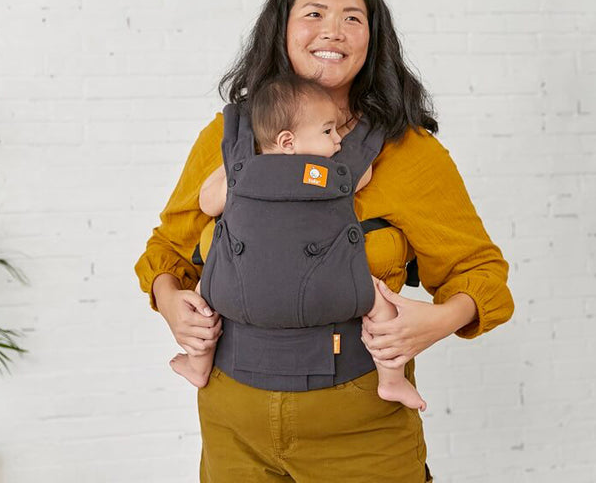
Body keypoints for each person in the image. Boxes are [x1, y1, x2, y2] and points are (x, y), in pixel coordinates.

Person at [135, 0, 514, 482]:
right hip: (232, 428)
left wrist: (438, 321)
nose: (333, 30)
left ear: (372, 40)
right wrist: (169, 300)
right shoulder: (226, 141)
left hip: (361, 434)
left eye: (353, 19)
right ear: (282, 29)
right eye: (314, 13)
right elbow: (168, 254)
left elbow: (481, 272)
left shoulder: (409, 153)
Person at [169, 72, 427, 412]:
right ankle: (391, 380)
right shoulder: (332, 171)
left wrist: (233, 167)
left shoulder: (241, 171)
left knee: (203, 304)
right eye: (327, 131)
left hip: (241, 288)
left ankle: (197, 363)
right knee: (383, 307)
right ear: (288, 141)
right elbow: (361, 175)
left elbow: (207, 202)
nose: (337, 140)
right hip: (328, 286)